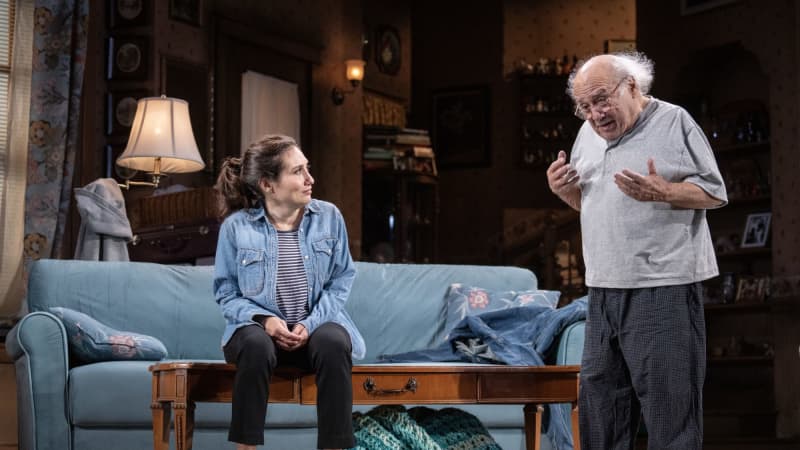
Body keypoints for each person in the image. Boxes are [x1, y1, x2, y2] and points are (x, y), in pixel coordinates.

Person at [546, 53, 728, 450]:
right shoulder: (588, 135)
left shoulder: (673, 121)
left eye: (601, 99)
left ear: (631, 86)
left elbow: (715, 193)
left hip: (662, 287)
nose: (595, 114)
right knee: (601, 414)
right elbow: (591, 204)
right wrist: (565, 191)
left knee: (670, 417)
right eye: (585, 107)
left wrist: (664, 191)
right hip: (603, 290)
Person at [213, 134, 365, 450]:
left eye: (306, 168)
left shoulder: (329, 217)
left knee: (335, 342)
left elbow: (341, 281)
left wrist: (309, 325)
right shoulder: (236, 227)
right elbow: (226, 292)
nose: (310, 179)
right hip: (256, 333)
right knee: (256, 346)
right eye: (298, 171)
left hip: (314, 331)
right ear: (268, 184)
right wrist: (265, 320)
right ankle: (246, 448)